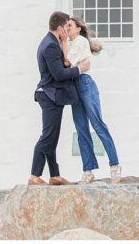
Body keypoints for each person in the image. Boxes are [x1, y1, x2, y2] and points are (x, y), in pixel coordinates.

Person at [29, 11, 90, 186]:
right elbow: (59, 74)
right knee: (48, 136)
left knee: (52, 137)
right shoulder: (50, 45)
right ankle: (34, 176)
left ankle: (55, 175)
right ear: (60, 27)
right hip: (50, 95)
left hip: (52, 95)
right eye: (67, 26)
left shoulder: (53, 42)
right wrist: (80, 69)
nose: (68, 29)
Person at [62, 16, 121, 184]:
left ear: (78, 28)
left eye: (70, 26)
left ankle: (115, 166)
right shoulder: (68, 44)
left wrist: (64, 45)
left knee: (98, 125)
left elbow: (66, 62)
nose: (67, 28)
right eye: (65, 26)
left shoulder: (79, 41)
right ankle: (88, 171)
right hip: (73, 86)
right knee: (81, 130)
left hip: (85, 84)